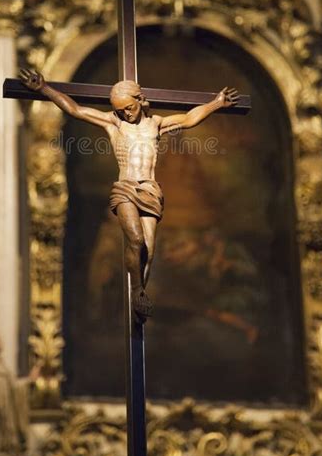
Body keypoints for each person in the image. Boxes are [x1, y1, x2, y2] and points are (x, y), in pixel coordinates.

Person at [20, 69, 239, 321]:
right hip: (125, 188)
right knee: (134, 240)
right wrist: (44, 89)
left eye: (128, 107)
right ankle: (136, 290)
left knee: (149, 249)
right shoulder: (114, 123)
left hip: (150, 190)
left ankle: (140, 293)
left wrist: (217, 103)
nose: (125, 112)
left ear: (139, 99)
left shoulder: (156, 124)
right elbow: (76, 110)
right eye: (120, 109)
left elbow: (190, 119)